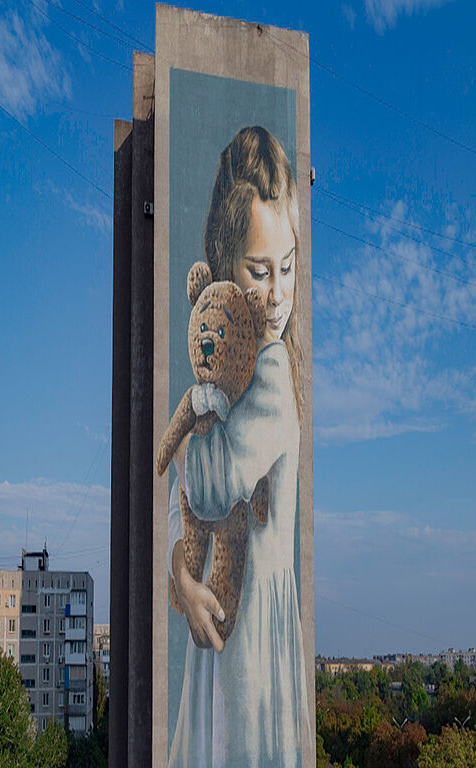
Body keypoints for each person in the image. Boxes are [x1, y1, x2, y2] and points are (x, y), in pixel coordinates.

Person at [166, 126, 310, 767]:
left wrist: (199, 410)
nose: (277, 292)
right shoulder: (242, 368)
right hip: (232, 624)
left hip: (253, 639)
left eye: (288, 265)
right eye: (259, 271)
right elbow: (185, 503)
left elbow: (213, 484)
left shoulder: (272, 373)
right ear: (223, 267)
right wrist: (181, 577)